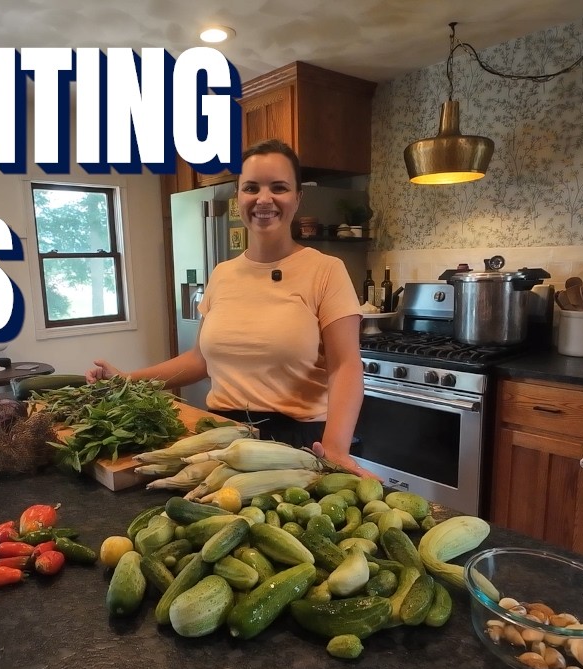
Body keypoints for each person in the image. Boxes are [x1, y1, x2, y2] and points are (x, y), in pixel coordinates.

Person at [86, 139, 374, 479]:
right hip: (222, 438)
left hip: (295, 446)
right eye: (251, 187)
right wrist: (126, 380)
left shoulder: (326, 270)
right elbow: (199, 360)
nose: (264, 198)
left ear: (297, 198)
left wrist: (336, 449)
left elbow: (345, 367)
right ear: (239, 198)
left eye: (278, 187)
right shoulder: (222, 274)